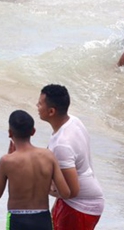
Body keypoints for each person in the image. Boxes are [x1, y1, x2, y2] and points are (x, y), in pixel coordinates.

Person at [37, 84, 104, 230]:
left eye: (40, 103)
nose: (37, 105)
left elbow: (72, 192)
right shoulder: (73, 121)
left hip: (80, 206)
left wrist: (41, 187)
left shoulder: (62, 145)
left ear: (51, 111)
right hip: (79, 201)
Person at [0, 109, 71, 230]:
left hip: (17, 219)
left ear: (10, 133)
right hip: (42, 219)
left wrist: (7, 161)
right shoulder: (48, 156)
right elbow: (65, 193)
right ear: (33, 131)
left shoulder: (7, 161)